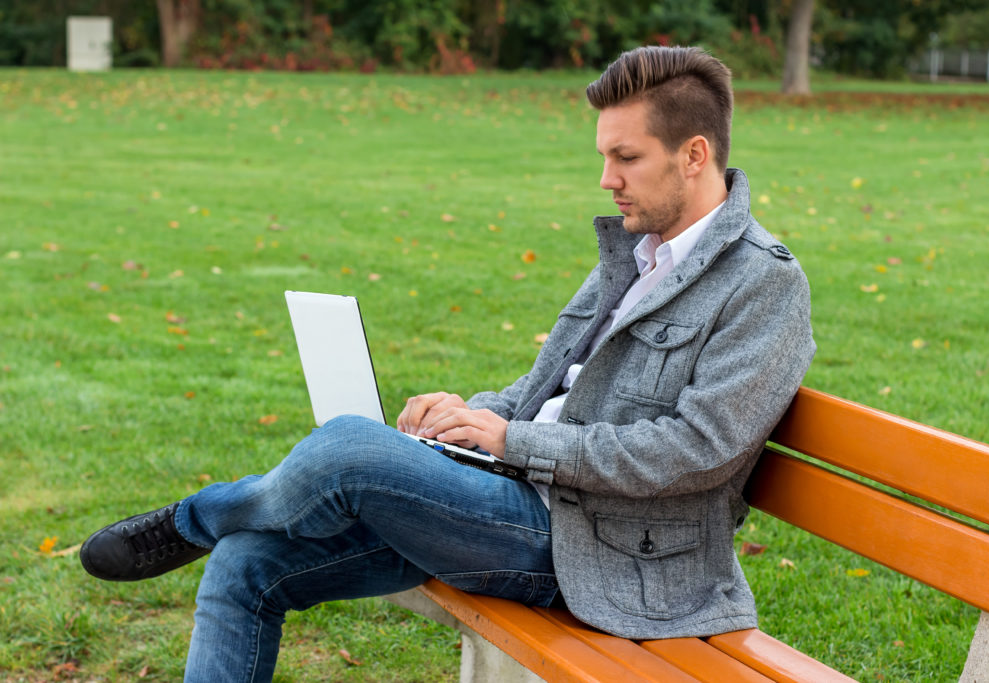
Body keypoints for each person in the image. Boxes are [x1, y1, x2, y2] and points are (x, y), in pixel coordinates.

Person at [80, 45, 815, 681]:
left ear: (694, 155)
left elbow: (697, 452)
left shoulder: (765, 283)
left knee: (347, 448)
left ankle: (193, 516)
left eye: (626, 158)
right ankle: (223, 526)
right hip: (510, 494)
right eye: (603, 156)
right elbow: (547, 389)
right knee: (245, 564)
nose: (605, 179)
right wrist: (471, 415)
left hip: (602, 550)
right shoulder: (638, 250)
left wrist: (509, 441)